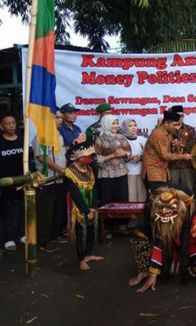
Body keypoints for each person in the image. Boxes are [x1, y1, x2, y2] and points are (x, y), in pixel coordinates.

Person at [133, 188, 196, 292]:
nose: (164, 211)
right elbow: (158, 247)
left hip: (193, 247)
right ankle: (170, 263)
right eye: (160, 207)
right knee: (140, 237)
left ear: (180, 207)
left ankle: (184, 263)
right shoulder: (159, 218)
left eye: (170, 207)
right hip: (172, 248)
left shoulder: (194, 220)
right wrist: (153, 275)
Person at [64, 141, 103, 270]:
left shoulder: (89, 169)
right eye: (89, 156)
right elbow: (75, 194)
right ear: (80, 157)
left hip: (90, 204)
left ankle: (89, 254)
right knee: (81, 232)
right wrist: (86, 210)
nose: (91, 158)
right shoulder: (70, 172)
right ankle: (81, 259)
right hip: (79, 207)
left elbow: (94, 188)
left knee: (92, 230)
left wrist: (93, 206)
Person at [32, 108, 66, 253]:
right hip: (48, 179)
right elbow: (42, 157)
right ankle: (44, 241)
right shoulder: (41, 136)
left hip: (59, 179)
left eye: (61, 118)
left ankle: (55, 236)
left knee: (57, 210)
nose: (60, 120)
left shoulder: (58, 134)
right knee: (46, 212)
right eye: (57, 117)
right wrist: (60, 169)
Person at [142, 111, 193, 191]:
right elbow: (165, 155)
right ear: (166, 123)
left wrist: (176, 146)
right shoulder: (158, 134)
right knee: (159, 200)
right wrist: (183, 156)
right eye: (174, 125)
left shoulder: (169, 133)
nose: (176, 128)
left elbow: (172, 152)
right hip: (154, 173)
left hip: (163, 173)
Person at [0, 112, 25, 251]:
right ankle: (8, 238)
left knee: (22, 209)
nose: (11, 126)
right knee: (8, 212)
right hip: (6, 184)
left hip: (22, 181)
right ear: (2, 126)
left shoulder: (22, 140)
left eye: (13, 123)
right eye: (7, 123)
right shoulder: (1, 142)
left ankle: (21, 234)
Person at [94, 115, 132, 206]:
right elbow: (97, 159)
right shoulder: (100, 139)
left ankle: (122, 220)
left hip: (121, 172)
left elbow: (129, 153)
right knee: (108, 201)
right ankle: (109, 220)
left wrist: (123, 153)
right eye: (113, 124)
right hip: (107, 174)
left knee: (122, 200)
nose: (116, 126)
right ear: (106, 124)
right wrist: (112, 155)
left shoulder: (121, 137)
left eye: (117, 123)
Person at [168, 105, 196, 195]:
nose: (180, 118)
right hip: (171, 166)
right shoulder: (166, 130)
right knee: (172, 192)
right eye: (177, 115)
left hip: (186, 165)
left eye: (182, 116)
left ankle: (189, 209)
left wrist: (181, 145)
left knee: (188, 191)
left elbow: (193, 148)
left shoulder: (190, 129)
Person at [121, 119, 147, 202]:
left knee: (142, 196)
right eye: (130, 126)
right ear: (125, 128)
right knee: (131, 197)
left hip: (141, 172)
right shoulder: (122, 141)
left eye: (134, 125)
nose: (133, 128)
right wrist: (129, 158)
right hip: (128, 172)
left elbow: (148, 154)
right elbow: (118, 156)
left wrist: (140, 158)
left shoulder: (142, 139)